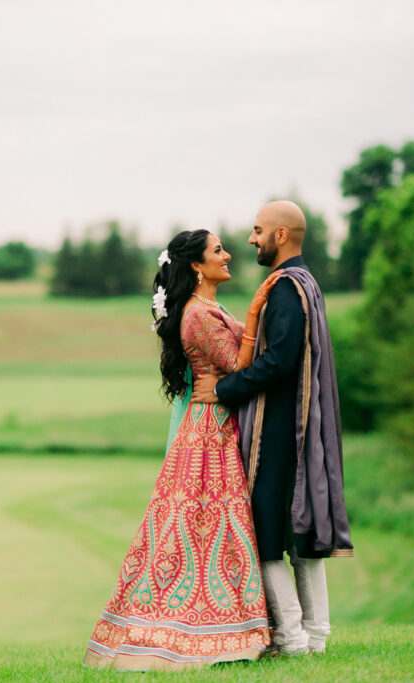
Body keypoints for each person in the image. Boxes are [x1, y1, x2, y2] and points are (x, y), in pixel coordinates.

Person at [82, 229, 280, 671]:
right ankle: (200, 633)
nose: (227, 255)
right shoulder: (197, 315)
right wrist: (253, 313)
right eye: (217, 251)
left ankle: (226, 626)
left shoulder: (207, 307)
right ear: (196, 264)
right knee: (205, 528)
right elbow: (235, 367)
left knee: (210, 529)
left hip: (214, 423)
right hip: (209, 433)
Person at [191, 200, 353, 656]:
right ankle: (316, 637)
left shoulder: (284, 288)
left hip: (280, 431)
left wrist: (223, 389)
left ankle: (292, 638)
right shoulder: (308, 282)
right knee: (297, 536)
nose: (251, 239)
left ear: (281, 236)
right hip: (302, 428)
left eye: (258, 230)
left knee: (263, 537)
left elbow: (280, 361)